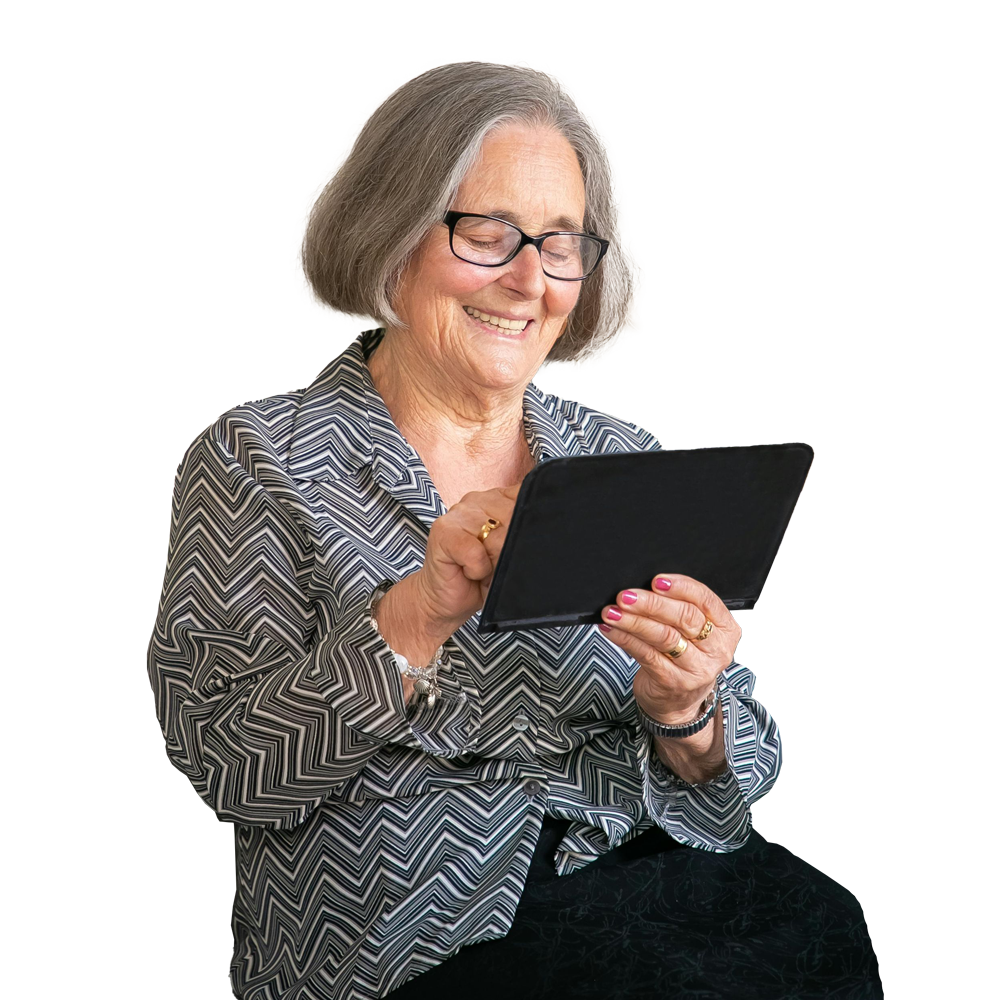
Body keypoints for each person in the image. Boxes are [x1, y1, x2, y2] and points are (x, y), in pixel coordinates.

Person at [149, 61, 881, 1000]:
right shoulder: (260, 457)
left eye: (563, 243)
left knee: (831, 927)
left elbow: (740, 770)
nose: (531, 279)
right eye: (488, 234)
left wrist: (687, 710)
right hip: (417, 925)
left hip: (649, 873)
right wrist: (415, 615)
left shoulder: (617, 457)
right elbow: (231, 768)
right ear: (394, 234)